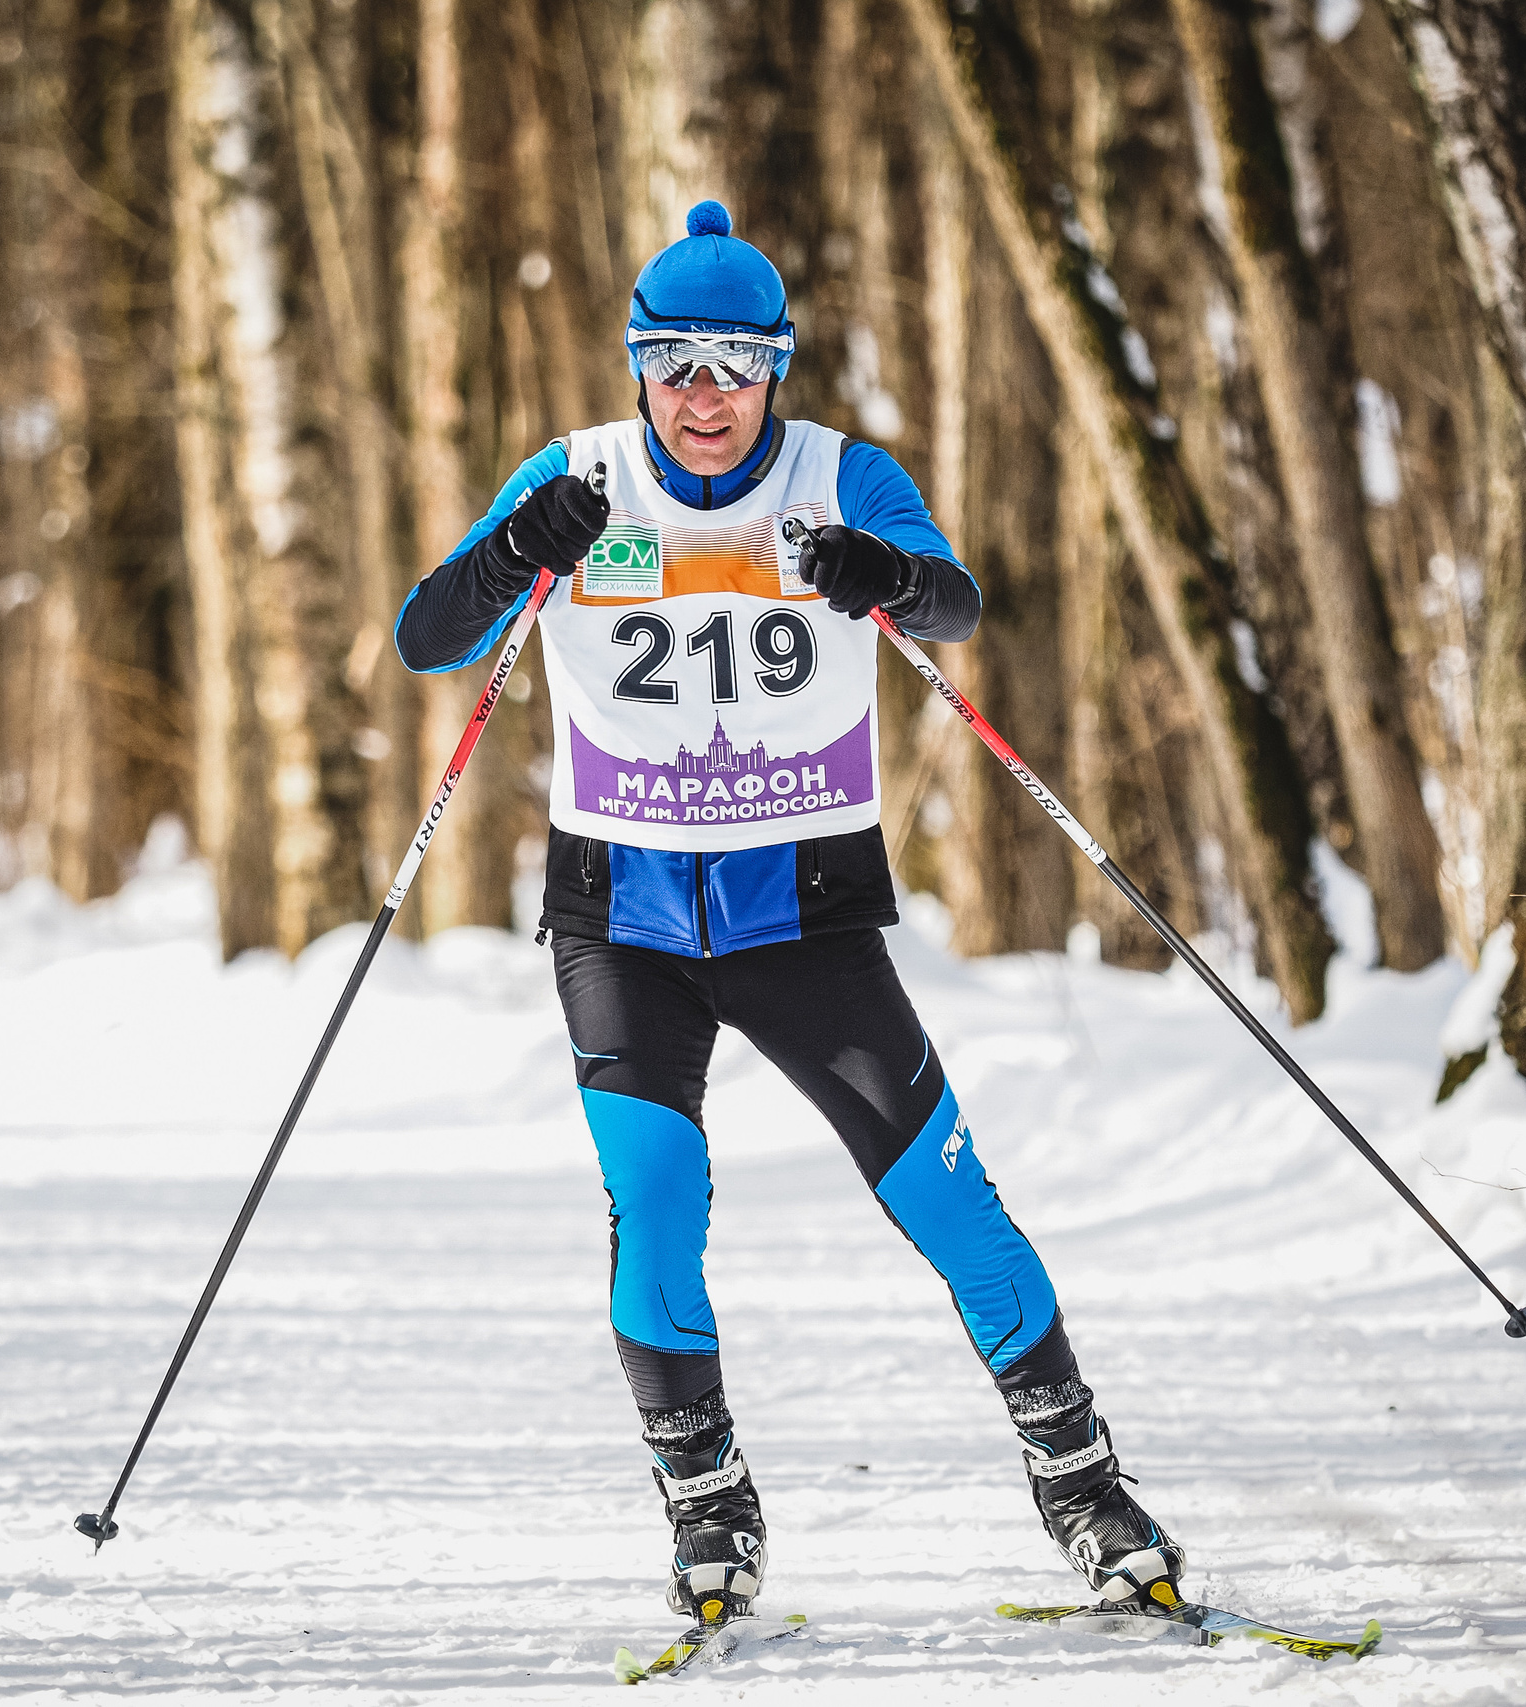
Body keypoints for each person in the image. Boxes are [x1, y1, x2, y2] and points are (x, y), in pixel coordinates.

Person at [393, 200, 1181, 1625]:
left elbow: (952, 606)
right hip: (621, 917)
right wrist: (522, 550)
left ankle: (1083, 1484)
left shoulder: (838, 475)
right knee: (657, 1209)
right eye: (676, 364)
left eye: (736, 365)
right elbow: (426, 635)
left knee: (947, 1197)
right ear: (639, 367)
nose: (706, 397)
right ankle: (706, 1503)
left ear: (778, 370)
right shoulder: (572, 476)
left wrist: (883, 576)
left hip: (802, 914)